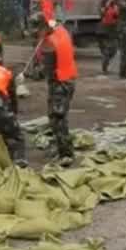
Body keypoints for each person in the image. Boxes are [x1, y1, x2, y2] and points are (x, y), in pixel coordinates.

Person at [41, 18, 78, 164]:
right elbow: (53, 22)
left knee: (57, 118)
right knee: (58, 116)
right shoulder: (60, 30)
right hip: (68, 78)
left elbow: (45, 70)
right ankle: (61, 148)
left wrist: (24, 75)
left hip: (60, 82)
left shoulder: (50, 43)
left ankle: (66, 153)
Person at [98, 0, 120, 74]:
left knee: (114, 49)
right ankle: (105, 64)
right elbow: (102, 12)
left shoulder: (115, 2)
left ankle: (105, 60)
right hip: (105, 28)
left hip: (113, 27)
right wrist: (108, 3)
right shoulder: (102, 3)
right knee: (109, 48)